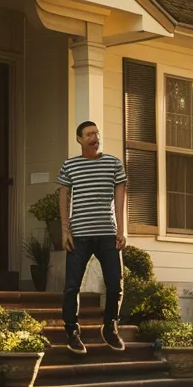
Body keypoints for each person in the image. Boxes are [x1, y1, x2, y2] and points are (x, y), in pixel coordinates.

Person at [58, 121, 127, 355]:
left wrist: (122, 229)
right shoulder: (70, 166)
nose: (94, 137)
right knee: (71, 286)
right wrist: (65, 231)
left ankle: (110, 327)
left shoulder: (113, 164)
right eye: (88, 134)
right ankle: (72, 331)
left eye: (96, 133)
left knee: (115, 284)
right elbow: (64, 198)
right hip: (79, 234)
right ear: (79, 139)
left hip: (108, 233)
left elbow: (120, 198)